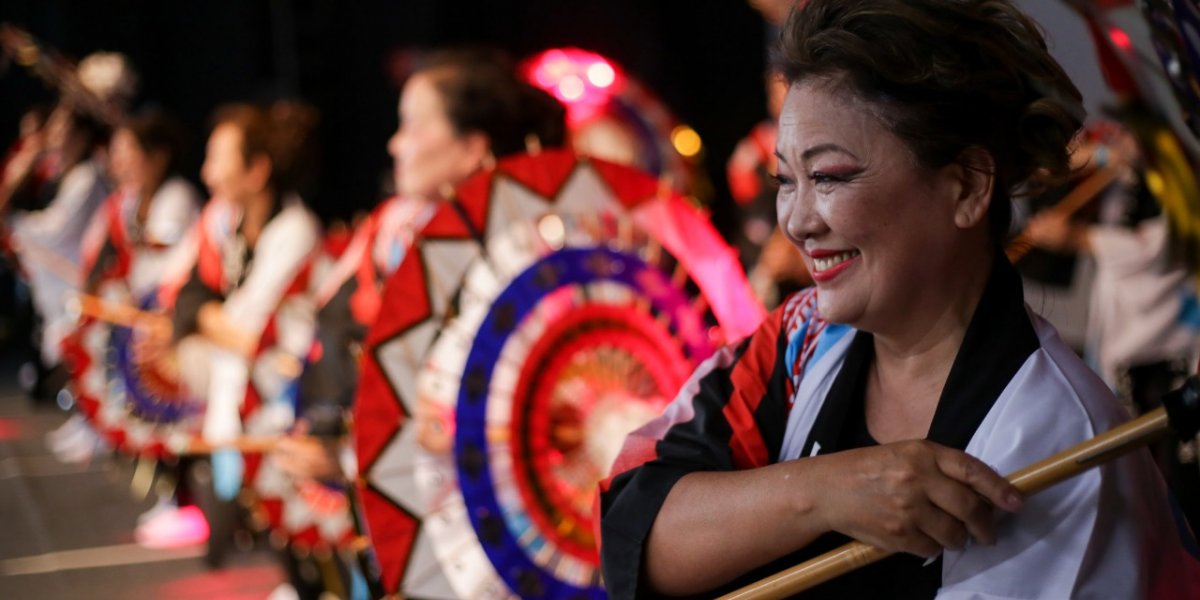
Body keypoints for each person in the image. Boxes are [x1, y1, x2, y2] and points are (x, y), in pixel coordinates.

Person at [599, 1, 1200, 598]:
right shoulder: (800, 340)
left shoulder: (1057, 444)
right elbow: (632, 527)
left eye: (830, 176)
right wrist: (825, 490)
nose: (799, 222)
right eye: (787, 182)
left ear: (966, 186)